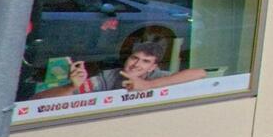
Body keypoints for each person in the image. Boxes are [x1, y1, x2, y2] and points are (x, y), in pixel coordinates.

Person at [44, 39, 205, 97]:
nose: (136, 65)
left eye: (145, 61)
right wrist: (71, 86)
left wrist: (148, 85)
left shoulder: (157, 76)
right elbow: (37, 101)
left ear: (152, 67)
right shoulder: (109, 77)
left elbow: (200, 73)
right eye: (134, 58)